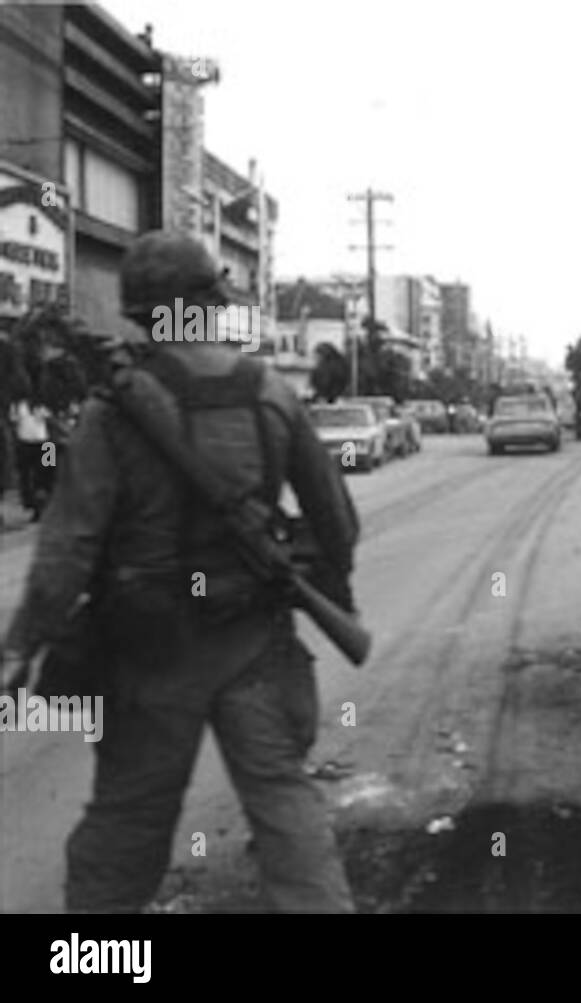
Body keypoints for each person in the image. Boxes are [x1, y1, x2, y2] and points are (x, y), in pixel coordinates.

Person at [0, 230, 361, 913]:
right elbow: (336, 523)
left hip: (150, 652)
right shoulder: (271, 393)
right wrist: (324, 588)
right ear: (210, 303)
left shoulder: (113, 412)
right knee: (289, 816)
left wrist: (22, 645)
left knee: (124, 830)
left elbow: (66, 551)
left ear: (142, 312)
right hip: (256, 640)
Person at [10, 397, 53, 521]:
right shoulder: (18, 405)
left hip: (46, 445)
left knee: (45, 477)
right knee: (29, 477)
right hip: (28, 444)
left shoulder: (42, 403)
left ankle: (44, 505)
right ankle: (36, 506)